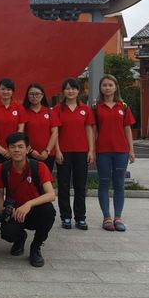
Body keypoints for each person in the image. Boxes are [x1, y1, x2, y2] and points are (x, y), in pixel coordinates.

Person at [0, 132, 56, 267]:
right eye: (12, 147)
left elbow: (51, 195)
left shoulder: (39, 167)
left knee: (49, 210)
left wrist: (29, 204)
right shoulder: (2, 169)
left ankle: (36, 247)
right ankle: (20, 239)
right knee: (7, 234)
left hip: (34, 210)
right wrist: (3, 210)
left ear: (27, 149)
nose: (16, 150)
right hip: (15, 211)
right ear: (8, 149)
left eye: (20, 146)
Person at [92, 75, 136, 232]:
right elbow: (93, 131)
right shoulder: (96, 107)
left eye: (110, 85)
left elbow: (127, 129)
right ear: (100, 88)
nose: (107, 88)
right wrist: (92, 151)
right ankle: (106, 217)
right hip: (102, 151)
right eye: (104, 85)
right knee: (104, 183)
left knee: (119, 184)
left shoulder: (123, 106)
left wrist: (131, 150)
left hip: (121, 151)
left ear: (116, 87)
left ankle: (118, 217)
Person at [53, 78, 94, 230]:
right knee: (63, 185)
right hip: (64, 152)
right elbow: (55, 132)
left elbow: (89, 130)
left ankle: (80, 217)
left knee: (80, 185)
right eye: (68, 88)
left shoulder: (85, 109)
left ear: (79, 91)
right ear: (63, 91)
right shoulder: (58, 109)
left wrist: (91, 150)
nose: (71, 91)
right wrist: (57, 150)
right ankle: (66, 216)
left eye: (74, 88)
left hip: (81, 152)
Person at [0, 78, 26, 169]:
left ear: (12, 91)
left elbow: (20, 129)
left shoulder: (19, 107)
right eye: (3, 89)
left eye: (8, 89)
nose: (5, 92)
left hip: (14, 151)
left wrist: (12, 148)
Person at [22, 83, 60, 174]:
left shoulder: (50, 112)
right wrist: (30, 151)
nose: (34, 97)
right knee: (29, 179)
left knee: (45, 179)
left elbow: (55, 133)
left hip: (48, 154)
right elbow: (21, 133)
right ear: (27, 96)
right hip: (28, 153)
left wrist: (47, 151)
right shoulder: (23, 111)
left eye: (37, 94)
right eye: (31, 94)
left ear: (42, 95)